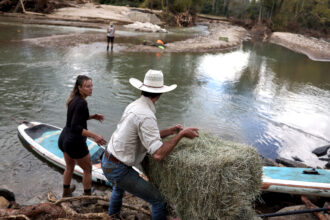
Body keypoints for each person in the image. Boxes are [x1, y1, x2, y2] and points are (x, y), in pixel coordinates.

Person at [101, 69, 199, 219]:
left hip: (108, 158)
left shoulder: (135, 105)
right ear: (160, 93)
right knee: (159, 200)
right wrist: (181, 135)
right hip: (118, 169)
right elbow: (158, 154)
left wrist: (170, 131)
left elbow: (144, 136)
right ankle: (113, 215)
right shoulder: (146, 115)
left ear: (142, 89)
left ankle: (112, 216)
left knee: (118, 188)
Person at [58, 75, 107, 197]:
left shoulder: (74, 99)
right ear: (79, 87)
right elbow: (76, 127)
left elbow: (76, 119)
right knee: (87, 170)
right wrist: (95, 135)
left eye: (91, 86)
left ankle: (65, 193)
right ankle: (87, 197)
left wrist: (92, 116)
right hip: (75, 142)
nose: (91, 89)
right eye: (87, 86)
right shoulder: (82, 103)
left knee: (69, 166)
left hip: (64, 138)